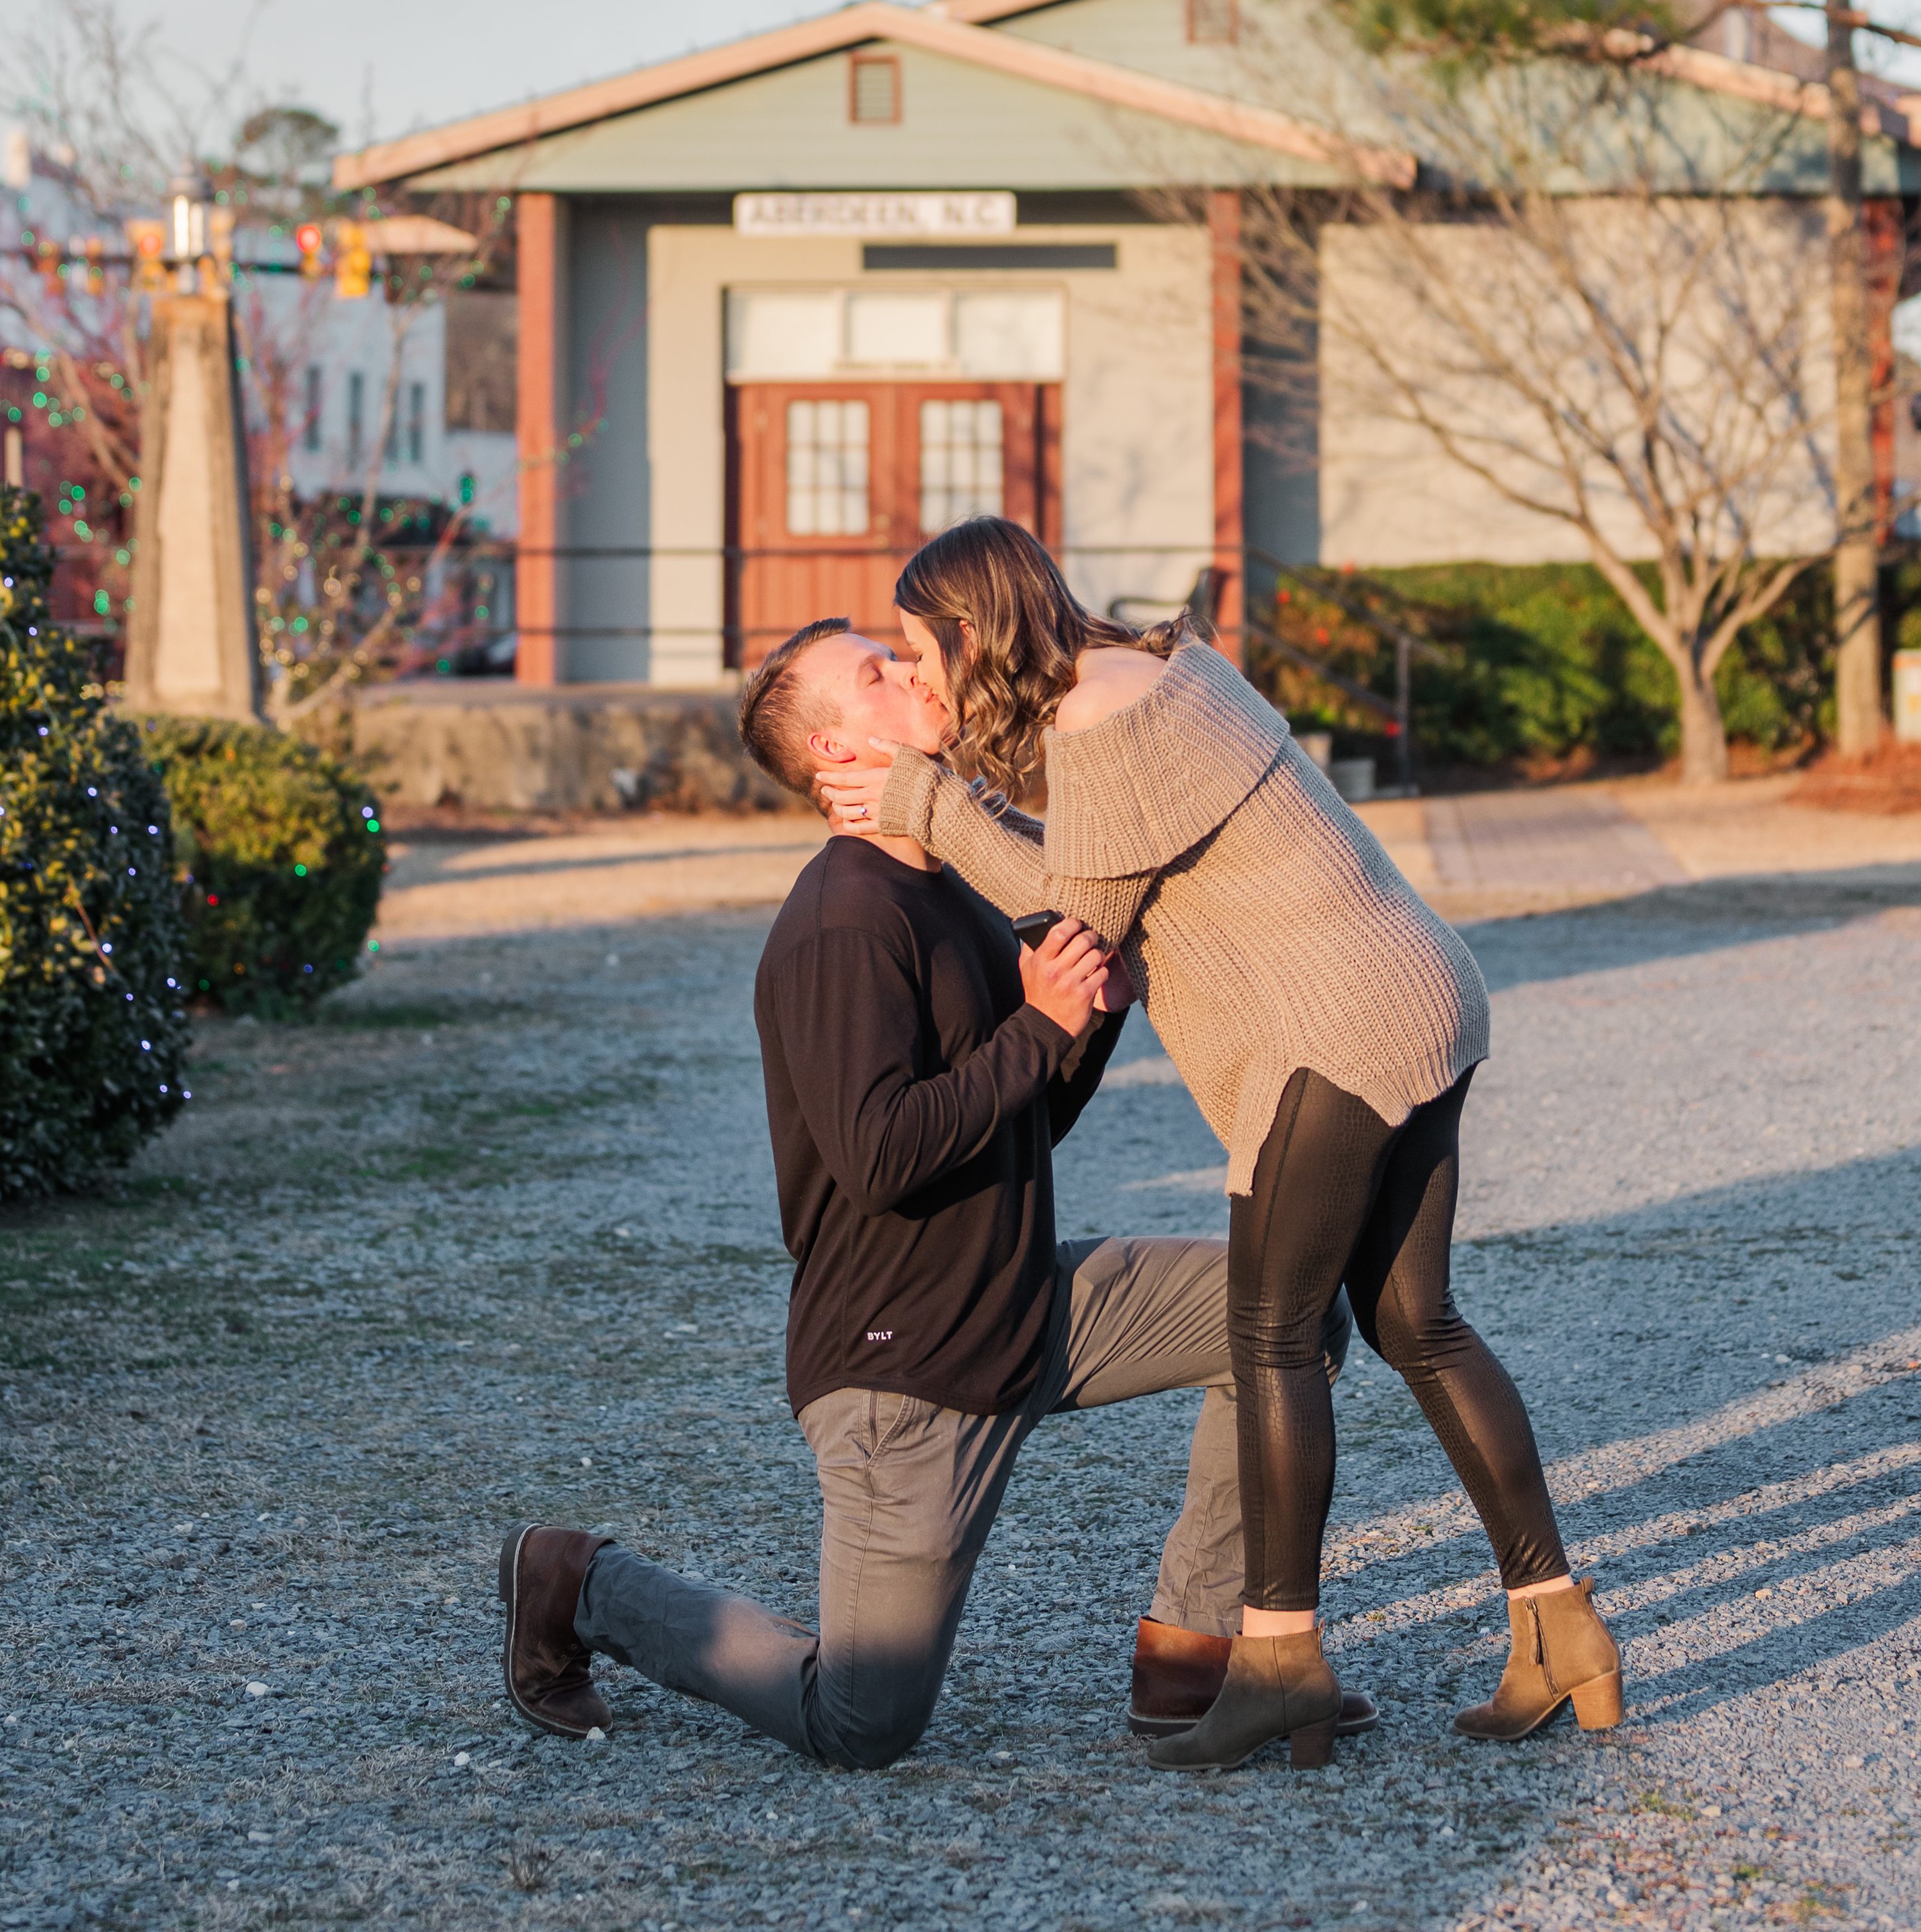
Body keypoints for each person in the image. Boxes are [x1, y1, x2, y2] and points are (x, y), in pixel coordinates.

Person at [814, 521, 1623, 1771]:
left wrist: (924, 799)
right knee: (1417, 1325)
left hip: (1338, 1037)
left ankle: (1277, 1659)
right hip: (1422, 991)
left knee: (1271, 1337)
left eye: (921, 648)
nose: (920, 674)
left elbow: (1072, 925)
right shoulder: (1160, 666)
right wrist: (964, 799)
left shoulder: (1100, 734)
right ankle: (1557, 1627)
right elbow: (1093, 874)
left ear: (971, 631)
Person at [498, 614, 1370, 1768]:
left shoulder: (954, 886)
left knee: (1290, 1318)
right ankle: (577, 1582)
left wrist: (1084, 1024)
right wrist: (1035, 1030)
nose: (914, 674)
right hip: (902, 1369)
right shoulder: (839, 925)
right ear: (836, 757)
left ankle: (1191, 1660)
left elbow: (1027, 1123)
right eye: (877, 673)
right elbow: (879, 1155)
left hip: (1027, 1302)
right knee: (862, 1723)